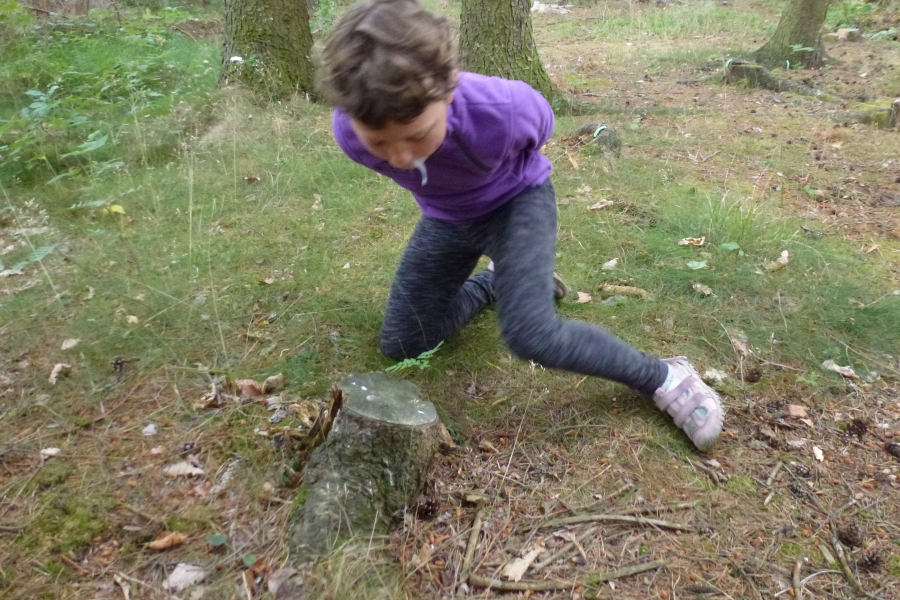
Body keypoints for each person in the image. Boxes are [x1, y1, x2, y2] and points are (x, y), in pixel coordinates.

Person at [315, 0, 723, 452]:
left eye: (416, 134)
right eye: (380, 142)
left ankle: (664, 376)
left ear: (448, 90)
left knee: (531, 335)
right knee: (403, 342)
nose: (401, 157)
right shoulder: (350, 133)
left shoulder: (502, 109)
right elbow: (404, 154)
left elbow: (541, 129)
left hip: (517, 205)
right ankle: (496, 283)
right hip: (446, 218)